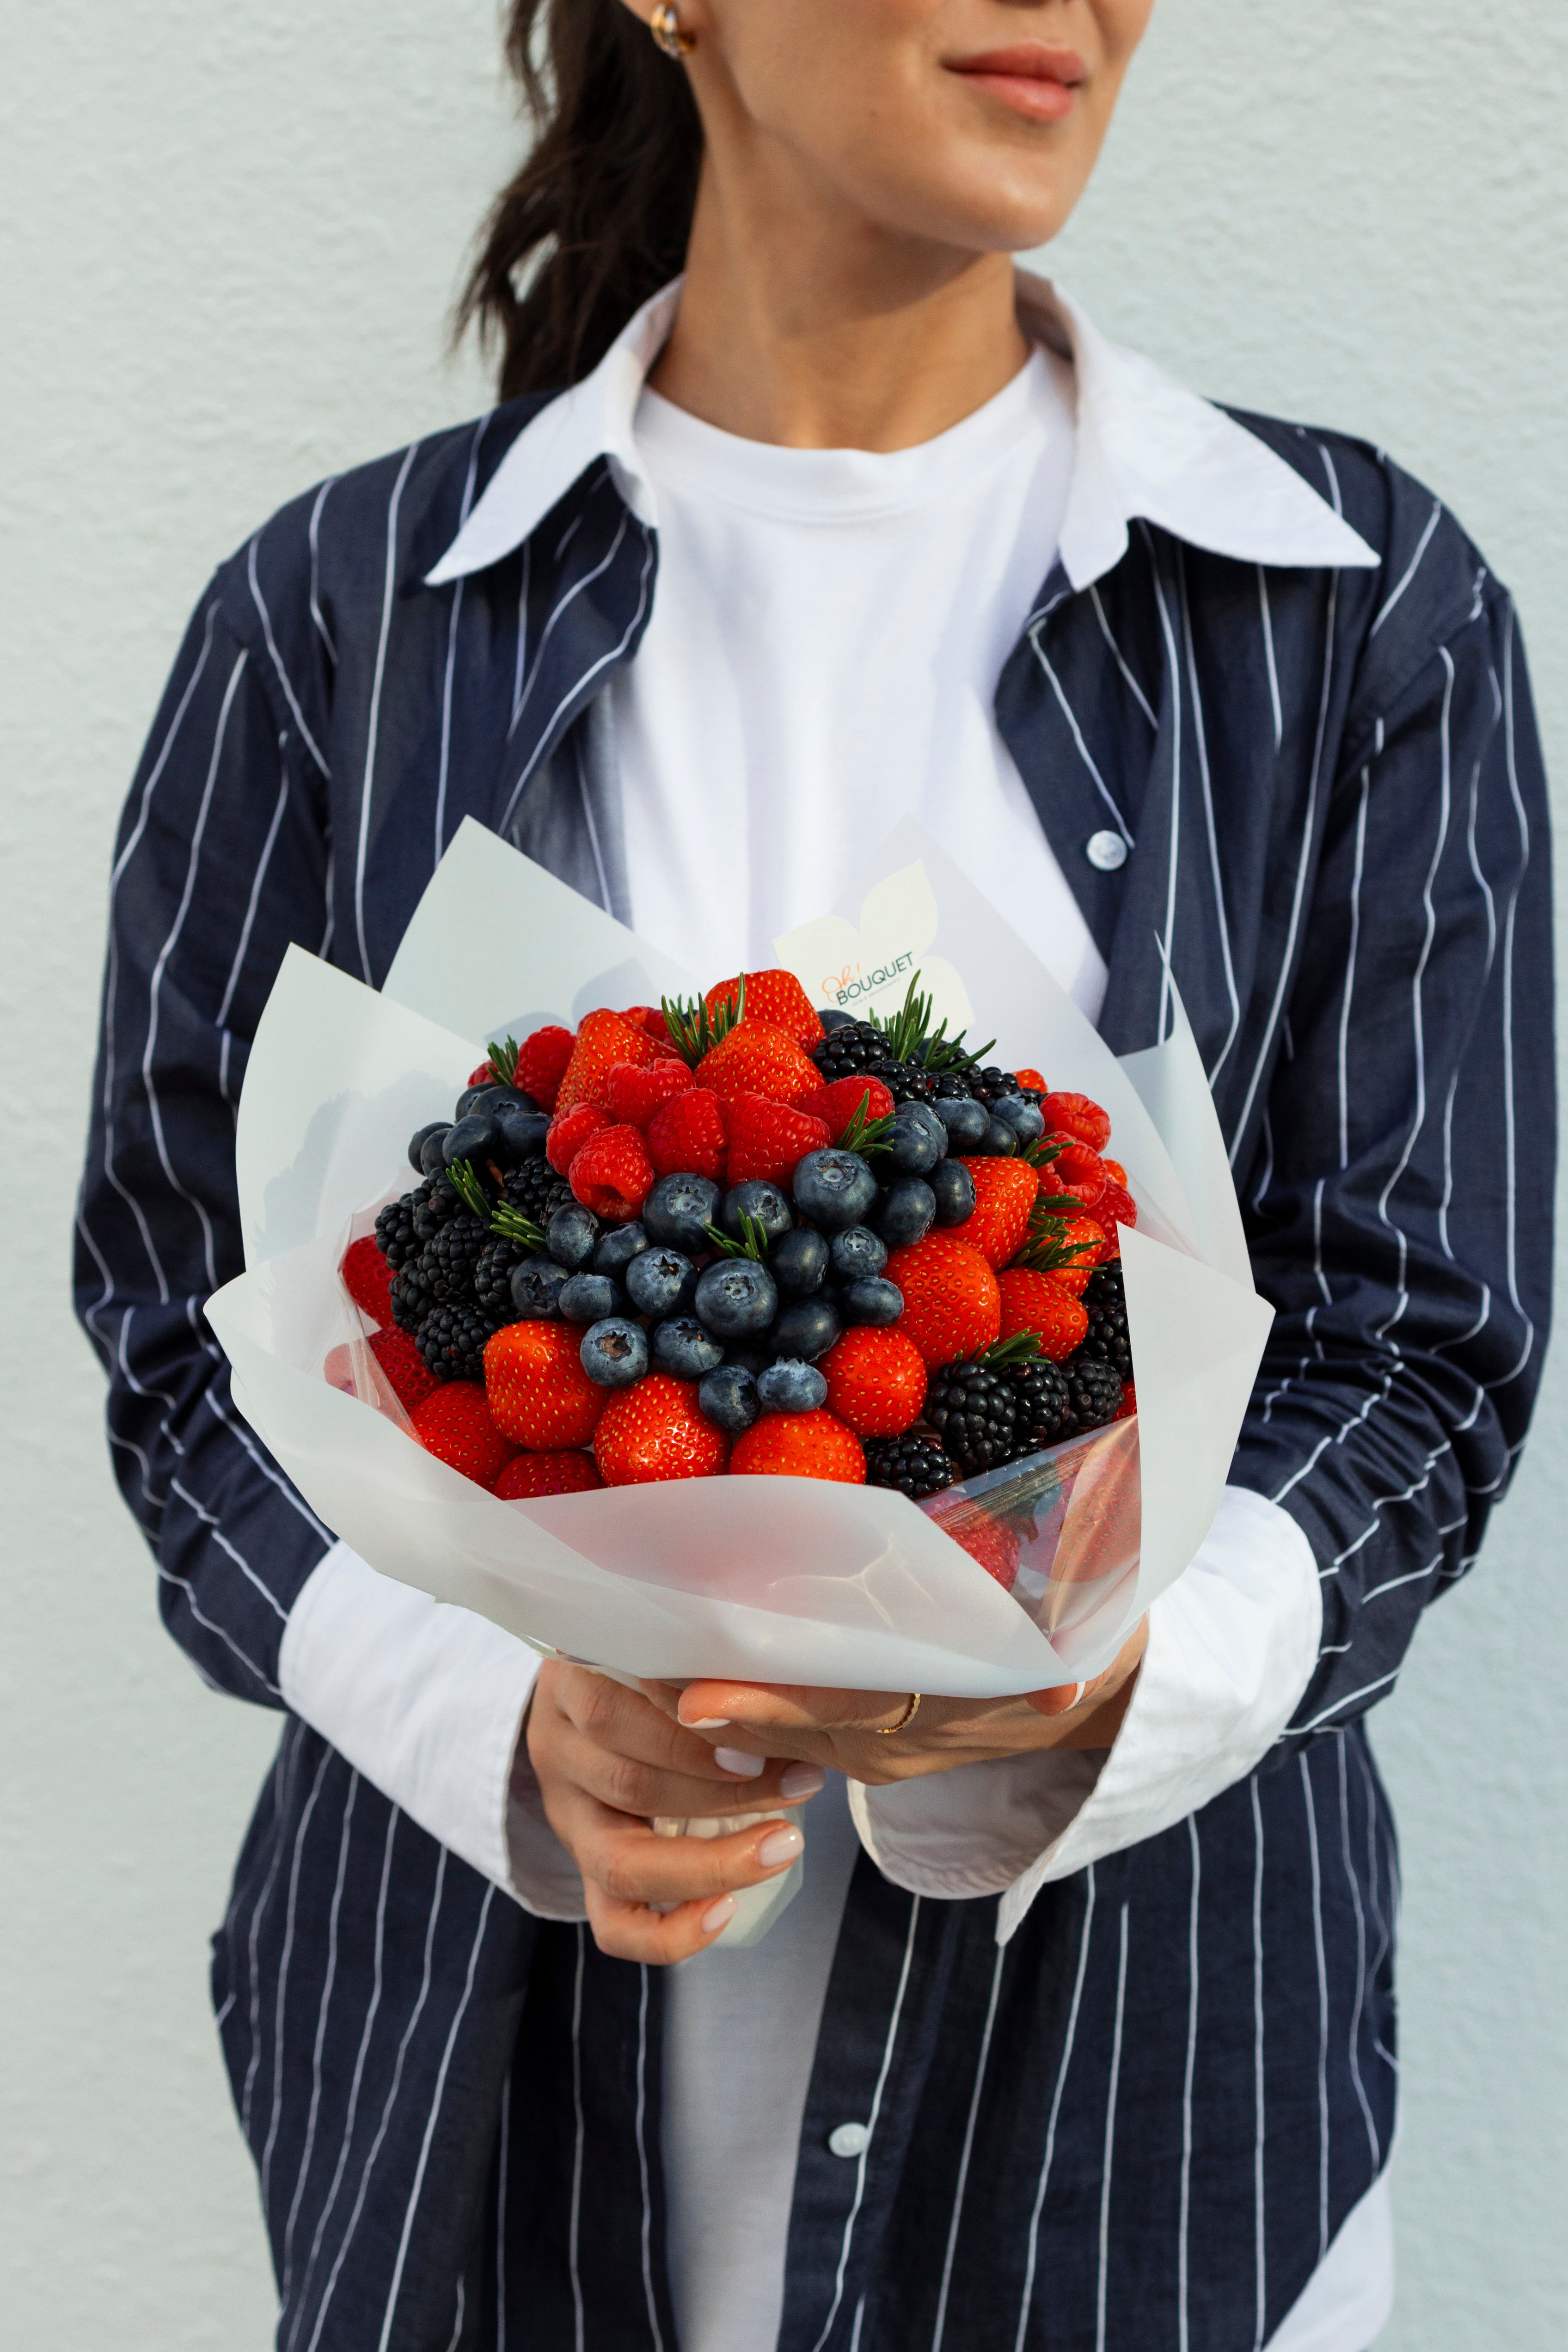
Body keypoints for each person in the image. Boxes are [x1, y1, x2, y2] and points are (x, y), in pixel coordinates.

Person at [75, 1, 1553, 2347]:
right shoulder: (335, 621)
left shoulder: (1350, 607)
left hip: (1137, 2134)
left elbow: (1417, 1350)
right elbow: (185, 1349)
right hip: (459, 2137)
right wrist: (508, 1725)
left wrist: (1113, 1671)